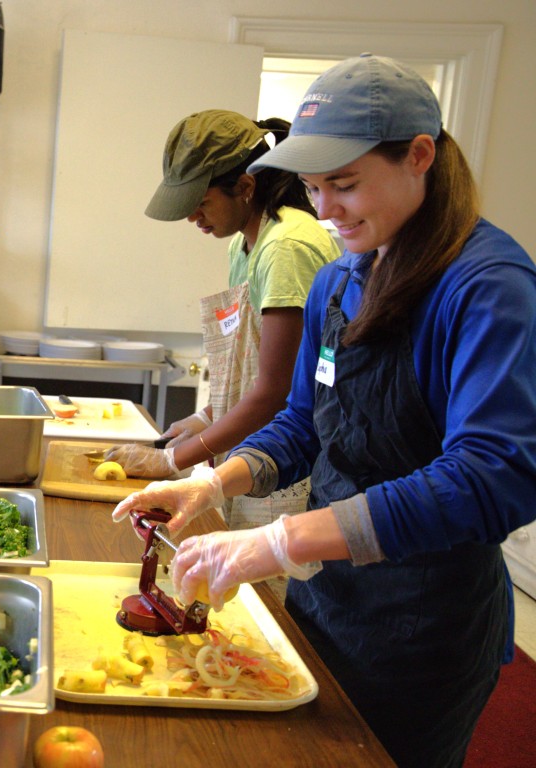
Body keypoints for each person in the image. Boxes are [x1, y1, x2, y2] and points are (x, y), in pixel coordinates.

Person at [112, 54, 536, 768]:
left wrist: (281, 542)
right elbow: (306, 422)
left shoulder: (489, 287)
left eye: (343, 185)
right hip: (328, 598)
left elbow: (493, 476)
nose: (326, 210)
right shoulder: (338, 282)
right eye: (312, 188)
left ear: (420, 157)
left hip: (423, 628)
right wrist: (215, 481)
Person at [106, 109, 340, 537]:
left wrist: (174, 460)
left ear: (246, 186)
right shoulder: (245, 245)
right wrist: (204, 419)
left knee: (273, 589)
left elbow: (277, 392)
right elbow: (250, 365)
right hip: (251, 451)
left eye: (200, 203)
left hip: (289, 465)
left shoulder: (288, 245)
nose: (193, 217)